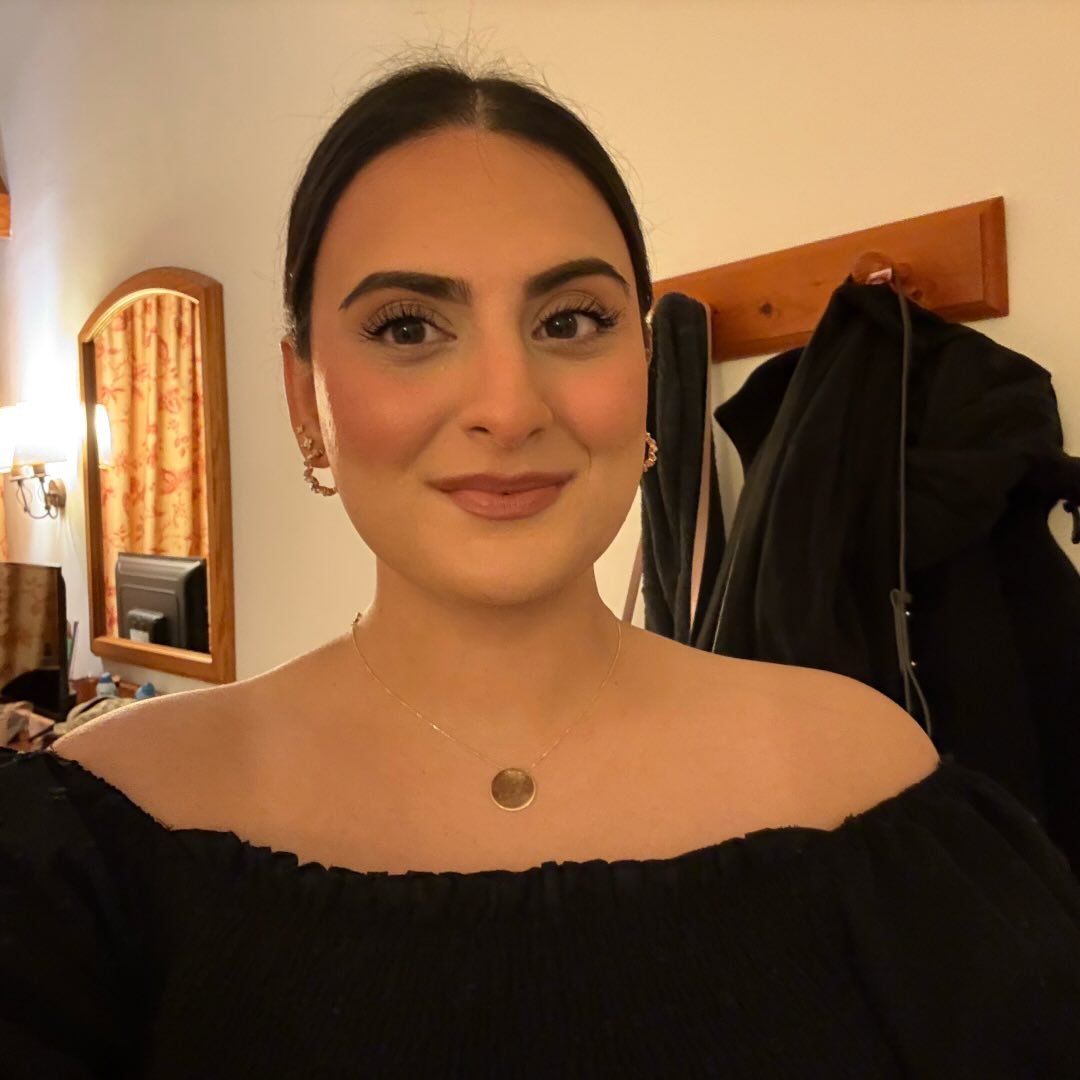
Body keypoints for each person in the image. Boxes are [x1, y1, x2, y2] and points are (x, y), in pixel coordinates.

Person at [1, 56, 1078, 1079]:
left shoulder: (869, 789)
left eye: (571, 320)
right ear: (303, 395)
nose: (509, 407)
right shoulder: (91, 845)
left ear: (644, 364)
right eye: (408, 327)